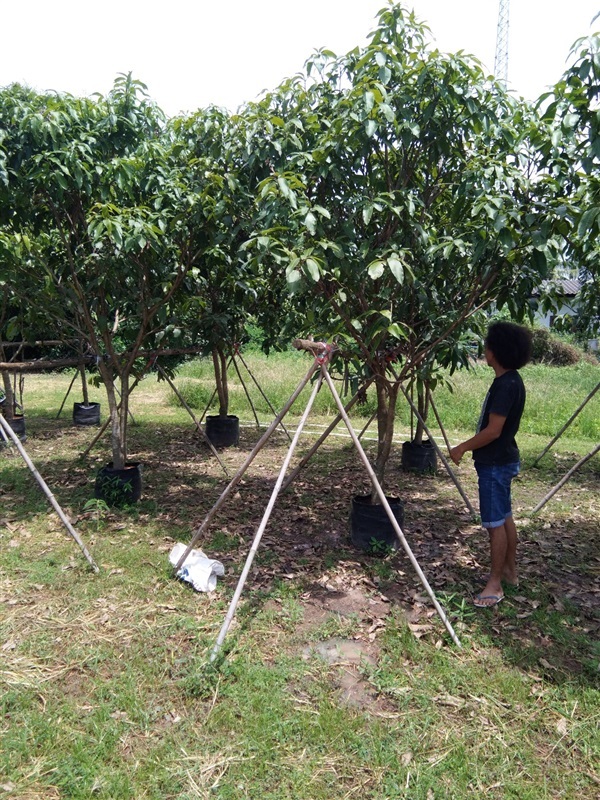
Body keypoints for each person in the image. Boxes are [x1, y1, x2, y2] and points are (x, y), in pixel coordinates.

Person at [449, 321, 532, 608]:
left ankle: (494, 584)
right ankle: (509, 571)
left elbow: (493, 430)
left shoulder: (506, 385)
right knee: (505, 516)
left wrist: (462, 447)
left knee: (494, 523)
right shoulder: (511, 381)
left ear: (495, 352)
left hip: (495, 464)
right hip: (503, 459)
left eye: (486, 346)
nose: (484, 350)